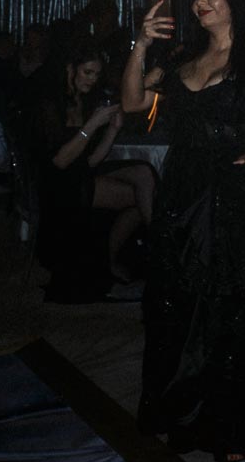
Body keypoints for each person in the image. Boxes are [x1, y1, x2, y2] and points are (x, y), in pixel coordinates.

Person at [121, 0, 245, 462]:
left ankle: (236, 425)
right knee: (175, 307)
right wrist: (140, 44)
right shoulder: (183, 59)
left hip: (239, 200)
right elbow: (133, 102)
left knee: (228, 315)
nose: (201, 2)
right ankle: (179, 412)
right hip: (182, 196)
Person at [25, 39, 156, 299]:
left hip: (79, 174)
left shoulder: (82, 99)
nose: (92, 80)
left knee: (144, 172)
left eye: (96, 75)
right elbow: (60, 162)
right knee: (141, 199)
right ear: (69, 69)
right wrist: (93, 124)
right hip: (58, 184)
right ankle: (150, 252)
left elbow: (92, 161)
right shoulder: (49, 102)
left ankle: (140, 250)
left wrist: (112, 130)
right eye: (87, 72)